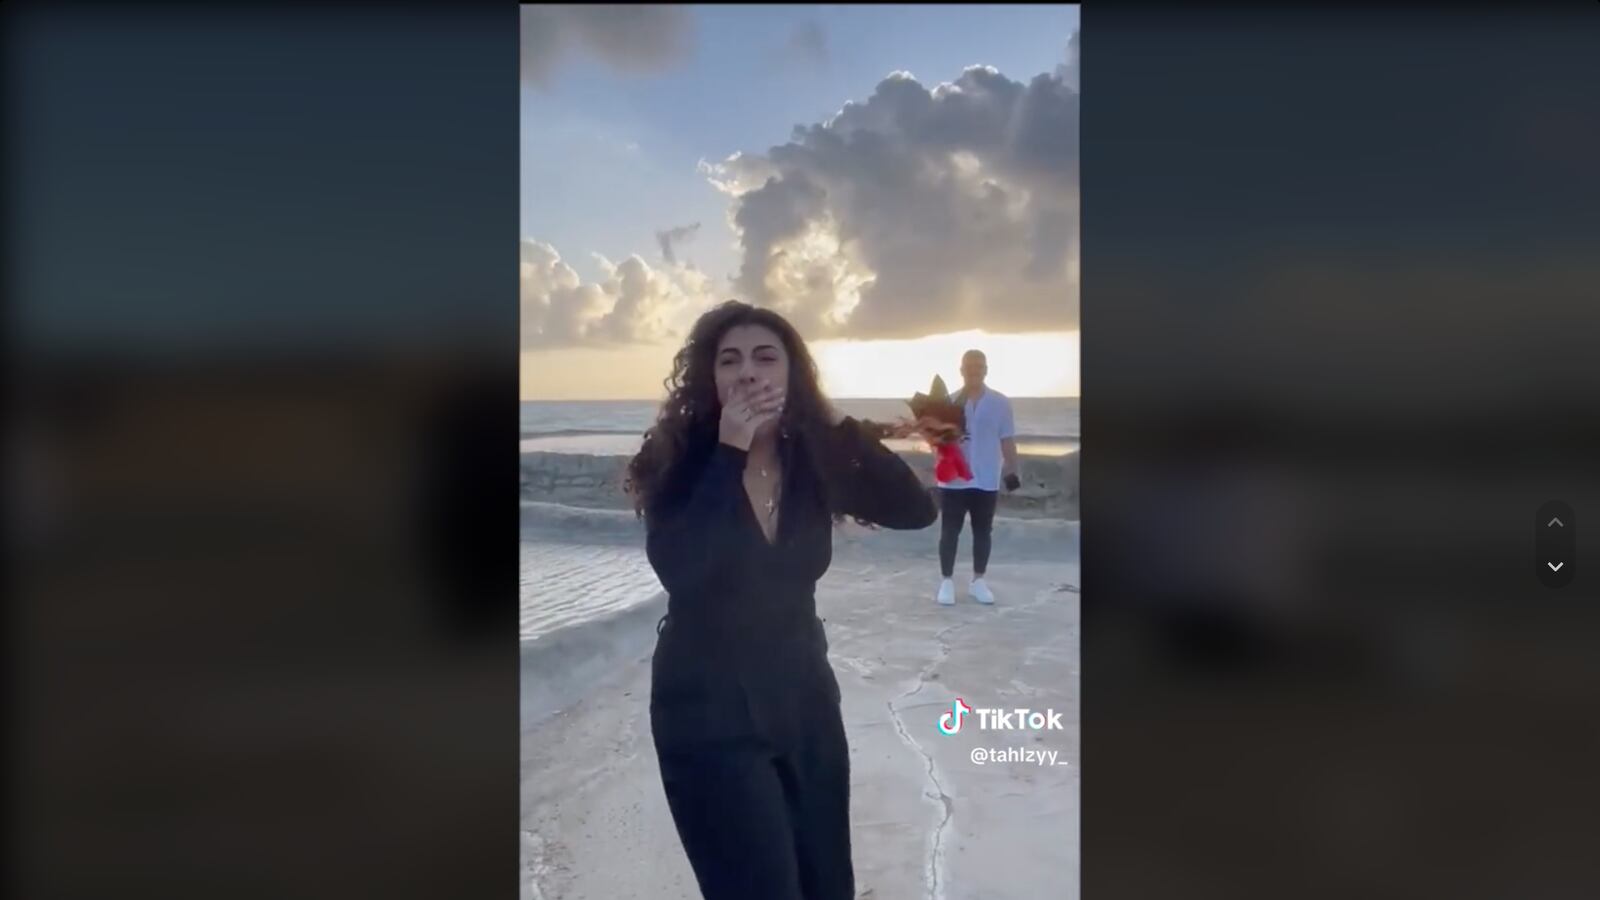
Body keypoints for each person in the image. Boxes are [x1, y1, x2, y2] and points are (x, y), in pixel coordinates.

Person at [626, 300, 938, 900]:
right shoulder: (678, 464)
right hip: (706, 711)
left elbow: (914, 511)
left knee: (826, 885)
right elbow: (683, 568)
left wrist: (835, 422)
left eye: (766, 358)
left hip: (804, 702)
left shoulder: (811, 463)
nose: (747, 372)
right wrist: (730, 452)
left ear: (792, 375)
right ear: (708, 377)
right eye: (729, 360)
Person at [935, 349, 1020, 606]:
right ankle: (946, 582)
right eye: (969, 366)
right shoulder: (948, 403)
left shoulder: (1000, 403)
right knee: (950, 531)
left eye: (979, 366)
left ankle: (978, 581)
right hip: (954, 480)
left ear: (986, 370)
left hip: (986, 478)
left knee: (983, 532)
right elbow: (936, 441)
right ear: (961, 370)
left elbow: (1007, 439)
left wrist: (1012, 469)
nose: (974, 370)